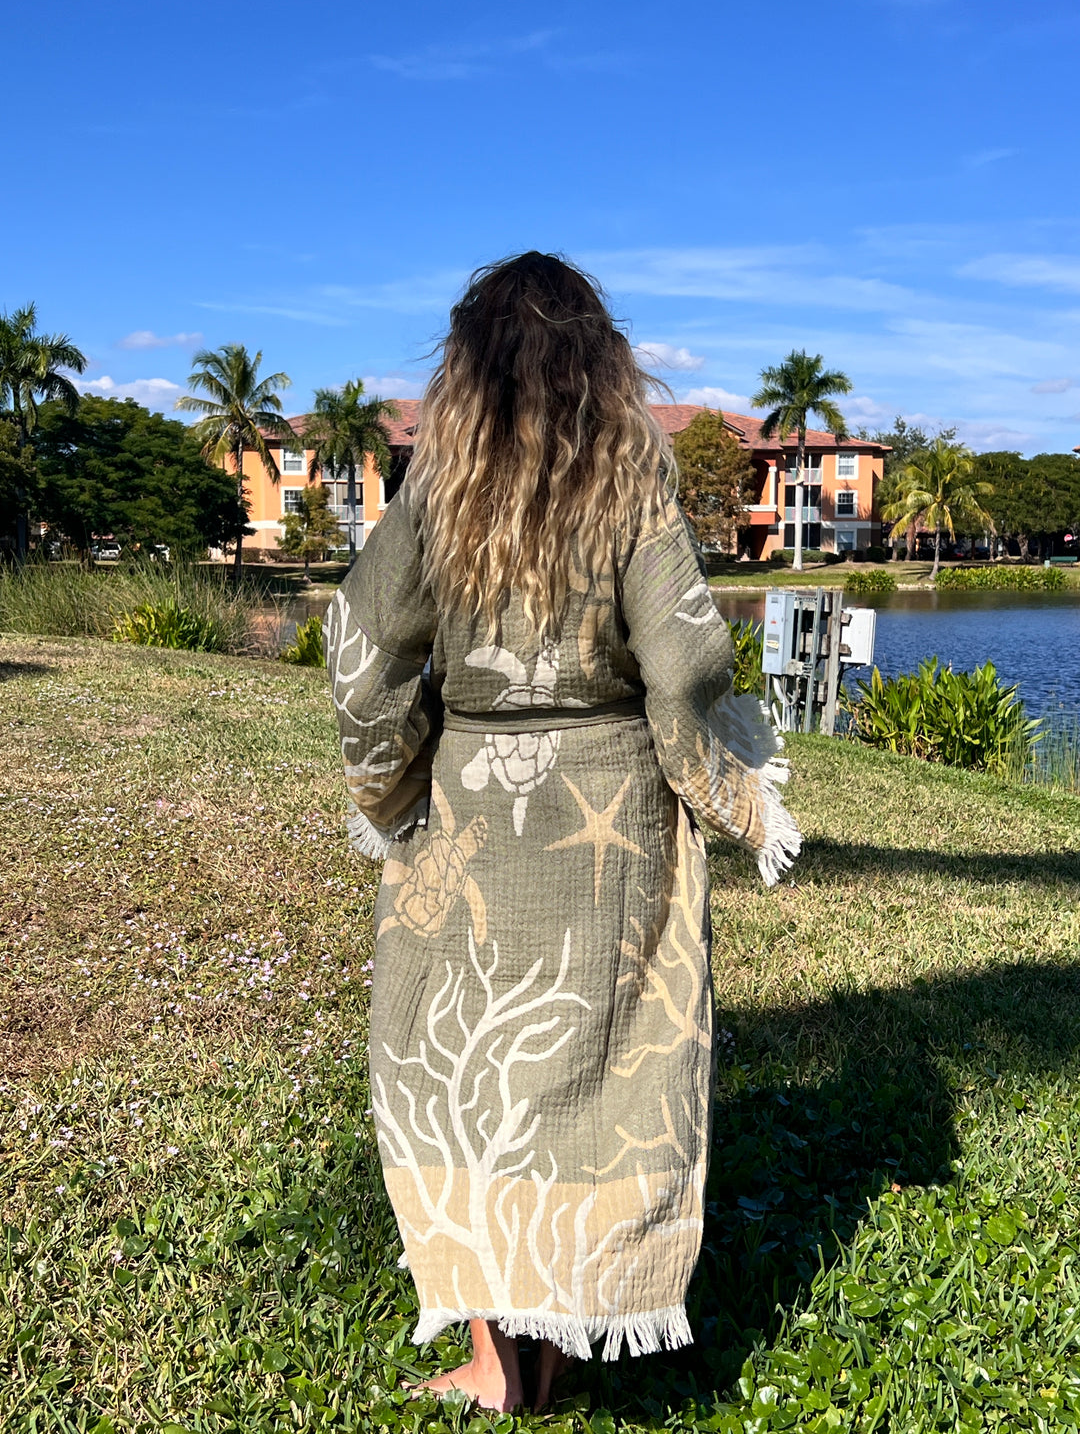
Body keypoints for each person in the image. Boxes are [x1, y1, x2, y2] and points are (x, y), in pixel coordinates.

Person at [324, 252, 801, 1412]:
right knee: (597, 1071)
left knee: (469, 1073)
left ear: (466, 367)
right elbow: (684, 657)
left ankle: (500, 1361)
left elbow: (365, 645)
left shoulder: (445, 484)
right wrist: (716, 780)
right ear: (601, 361)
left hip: (476, 806)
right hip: (616, 816)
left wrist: (398, 785)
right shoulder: (629, 474)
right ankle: (564, 1336)